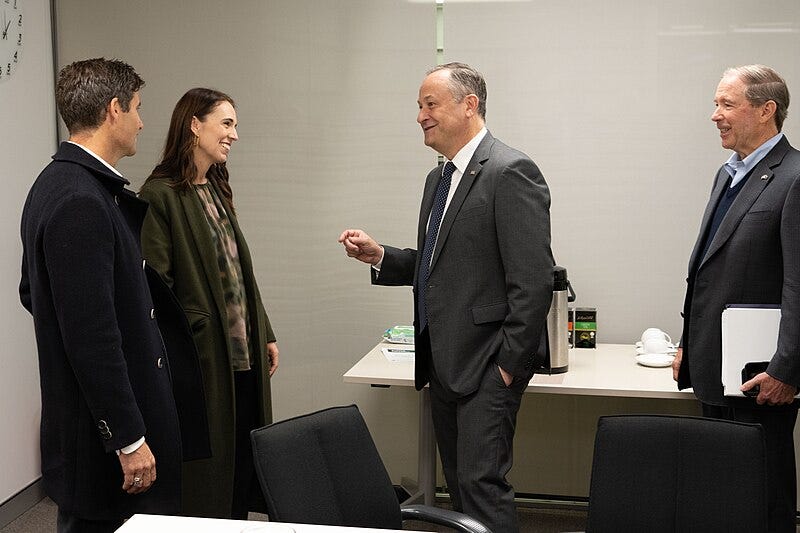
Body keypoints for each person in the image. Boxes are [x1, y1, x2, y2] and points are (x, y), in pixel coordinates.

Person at [339, 62, 554, 533]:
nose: (420, 115)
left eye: (429, 104)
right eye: (419, 106)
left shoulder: (510, 170)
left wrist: (507, 367)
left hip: (486, 368)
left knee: (481, 488)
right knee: (459, 490)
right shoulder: (438, 179)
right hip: (444, 365)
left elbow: (533, 281)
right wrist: (382, 257)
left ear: (469, 105)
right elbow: (439, 267)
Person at [19, 58, 187, 533]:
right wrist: (129, 439)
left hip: (87, 421)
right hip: (102, 438)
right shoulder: (81, 199)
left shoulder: (56, 184)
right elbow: (91, 337)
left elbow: (34, 293)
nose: (141, 121)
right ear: (113, 110)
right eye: (136, 108)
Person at [139, 87, 279, 519]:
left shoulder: (215, 188)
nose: (234, 134)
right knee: (209, 470)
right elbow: (154, 288)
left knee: (241, 459)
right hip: (203, 359)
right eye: (227, 123)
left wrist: (266, 334)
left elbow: (239, 274)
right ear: (194, 125)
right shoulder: (159, 195)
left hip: (243, 354)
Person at [674, 64, 800, 532]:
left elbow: (798, 283)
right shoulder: (729, 174)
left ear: (766, 110)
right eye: (716, 104)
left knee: (763, 498)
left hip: (760, 377)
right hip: (714, 366)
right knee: (720, 494)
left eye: (727, 104)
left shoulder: (794, 176)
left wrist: (787, 368)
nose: (715, 115)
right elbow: (708, 269)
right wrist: (688, 341)